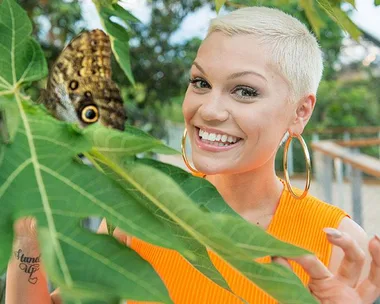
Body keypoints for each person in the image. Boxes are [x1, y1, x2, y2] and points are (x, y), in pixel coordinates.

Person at [6, 6, 380, 304]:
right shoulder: (141, 211)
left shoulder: (342, 251)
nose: (209, 109)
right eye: (200, 82)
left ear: (300, 112)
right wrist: (28, 239)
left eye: (245, 91)